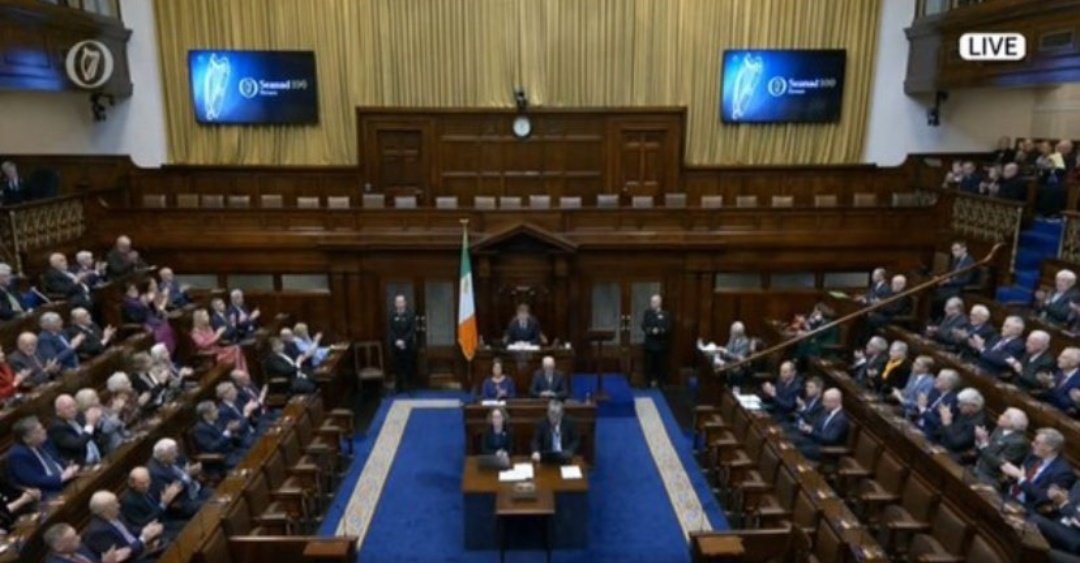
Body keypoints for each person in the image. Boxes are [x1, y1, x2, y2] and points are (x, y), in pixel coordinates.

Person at [1002, 428, 1075, 510]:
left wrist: (1021, 479)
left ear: (1050, 448)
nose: (1032, 444)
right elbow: (1018, 473)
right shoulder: (1033, 455)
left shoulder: (1063, 472)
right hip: (1007, 493)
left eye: (1037, 443)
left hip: (1028, 507)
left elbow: (1044, 496)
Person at [85, 490, 164, 560]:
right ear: (105, 510)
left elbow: (130, 530)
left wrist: (147, 529)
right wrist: (143, 539)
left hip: (140, 547)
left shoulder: (117, 514)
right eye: (114, 504)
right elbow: (122, 554)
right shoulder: (98, 532)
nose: (119, 506)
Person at [7, 416, 80, 493]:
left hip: (66, 481)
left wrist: (70, 467)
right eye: (38, 431)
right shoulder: (18, 455)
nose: (44, 431)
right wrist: (62, 477)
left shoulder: (44, 441)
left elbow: (56, 460)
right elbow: (33, 481)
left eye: (42, 428)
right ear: (26, 438)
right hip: (47, 492)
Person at [147, 438, 209, 519]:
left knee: (217, 496)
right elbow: (172, 493)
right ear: (162, 457)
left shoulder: (172, 457)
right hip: (184, 501)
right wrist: (187, 475)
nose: (176, 455)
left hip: (194, 489)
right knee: (209, 506)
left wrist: (190, 470)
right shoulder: (155, 473)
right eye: (173, 453)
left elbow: (184, 466)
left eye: (176, 451)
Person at [122, 467, 185, 538]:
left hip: (166, 519)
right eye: (142, 483)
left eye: (148, 481)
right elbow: (143, 523)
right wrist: (163, 504)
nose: (146, 485)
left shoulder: (149, 487)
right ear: (132, 484)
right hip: (155, 530)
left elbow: (162, 500)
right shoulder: (129, 502)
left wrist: (170, 496)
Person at [974, 408, 1030, 485]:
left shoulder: (1019, 442)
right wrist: (979, 440)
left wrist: (983, 443)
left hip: (991, 477)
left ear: (1013, 423)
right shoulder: (1000, 428)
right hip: (978, 466)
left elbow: (999, 463)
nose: (1000, 416)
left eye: (1005, 416)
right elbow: (988, 448)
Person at [795, 388, 849, 461]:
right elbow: (815, 423)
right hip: (815, 442)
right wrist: (807, 428)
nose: (823, 404)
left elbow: (830, 440)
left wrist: (812, 431)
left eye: (826, 401)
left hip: (826, 451)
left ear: (835, 402)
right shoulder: (826, 411)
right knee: (793, 440)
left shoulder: (841, 419)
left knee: (797, 450)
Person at [49, 394, 103, 466]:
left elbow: (94, 433)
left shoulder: (78, 416)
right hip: (83, 465)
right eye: (68, 408)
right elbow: (77, 444)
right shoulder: (57, 427)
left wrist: (96, 421)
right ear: (58, 412)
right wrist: (90, 424)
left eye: (74, 405)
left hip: (98, 457)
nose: (73, 409)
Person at [192, 401, 244, 470]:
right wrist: (228, 432)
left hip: (233, 449)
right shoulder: (200, 430)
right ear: (206, 415)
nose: (218, 411)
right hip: (222, 458)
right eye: (214, 410)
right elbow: (212, 447)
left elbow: (228, 434)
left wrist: (233, 431)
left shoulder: (217, 420)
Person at [44, 522, 132, 563]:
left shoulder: (80, 548)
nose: (79, 538)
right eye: (73, 539)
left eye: (76, 534)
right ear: (59, 547)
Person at [75, 387, 128, 454]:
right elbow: (106, 429)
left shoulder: (100, 408)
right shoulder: (90, 414)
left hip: (121, 437)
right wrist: (116, 412)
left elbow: (112, 417)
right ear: (87, 401)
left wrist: (116, 411)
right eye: (94, 398)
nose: (98, 399)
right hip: (113, 445)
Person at [938, 388, 987, 456]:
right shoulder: (964, 412)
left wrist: (947, 423)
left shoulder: (976, 423)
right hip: (943, 446)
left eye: (962, 404)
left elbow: (956, 444)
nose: (958, 406)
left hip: (954, 455)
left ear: (972, 406)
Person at [932, 241, 976, 317]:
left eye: (956, 250)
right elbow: (952, 274)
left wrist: (949, 281)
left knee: (938, 298)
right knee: (933, 293)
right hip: (952, 285)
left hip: (960, 287)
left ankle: (939, 318)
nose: (953, 252)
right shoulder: (956, 259)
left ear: (964, 249)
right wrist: (942, 279)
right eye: (952, 250)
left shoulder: (970, 262)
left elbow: (966, 280)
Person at [1032, 347, 1080, 414]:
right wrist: (1043, 383)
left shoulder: (1078, 381)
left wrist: (1052, 386)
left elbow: (1068, 405)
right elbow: (1050, 393)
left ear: (1073, 363)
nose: (1058, 359)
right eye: (1060, 356)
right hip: (1047, 408)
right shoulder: (1060, 371)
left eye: (1064, 358)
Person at [915, 369, 961, 438]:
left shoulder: (952, 401)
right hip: (917, 425)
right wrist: (919, 403)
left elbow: (940, 423)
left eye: (940, 379)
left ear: (948, 384)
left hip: (930, 434)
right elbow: (921, 408)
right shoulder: (934, 391)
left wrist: (923, 409)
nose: (936, 380)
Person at [641, 294, 672, 387]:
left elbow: (668, 328)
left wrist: (659, 331)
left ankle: (661, 383)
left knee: (661, 366)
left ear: (659, 303)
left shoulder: (666, 314)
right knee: (648, 365)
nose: (651, 303)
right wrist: (650, 330)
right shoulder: (647, 313)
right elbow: (643, 325)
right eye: (651, 301)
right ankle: (648, 382)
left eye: (654, 302)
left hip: (661, 344)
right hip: (650, 344)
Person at [388, 294, 417, 393]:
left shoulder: (410, 315)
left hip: (407, 346)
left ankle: (409, 387)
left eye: (401, 302)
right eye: (398, 302)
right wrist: (397, 341)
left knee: (408, 366)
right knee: (397, 367)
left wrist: (404, 341)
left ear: (405, 303)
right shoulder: (392, 315)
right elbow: (391, 330)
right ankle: (398, 387)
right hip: (396, 346)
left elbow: (412, 330)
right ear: (395, 304)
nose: (400, 304)